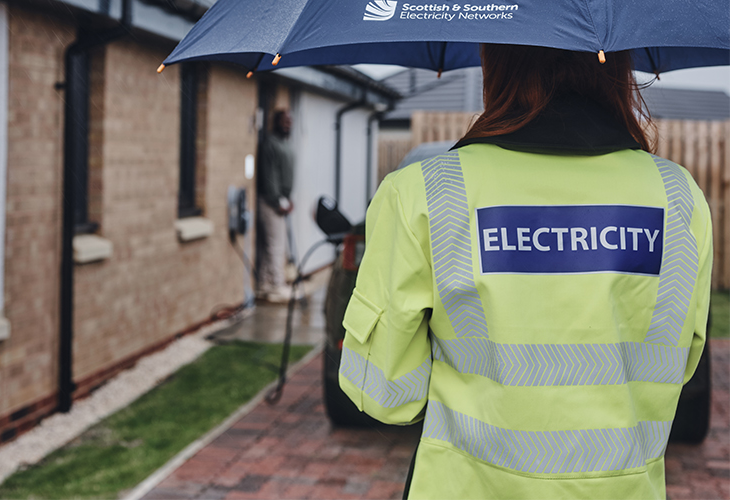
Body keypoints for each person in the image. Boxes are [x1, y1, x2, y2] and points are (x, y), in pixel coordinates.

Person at [340, 44, 713, 499]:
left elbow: (386, 394)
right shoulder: (679, 198)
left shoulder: (424, 193)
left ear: (497, 61)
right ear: (615, 61)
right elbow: (681, 364)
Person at [259, 108, 295, 303]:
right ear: (276, 122)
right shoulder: (271, 145)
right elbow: (270, 175)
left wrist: (289, 200)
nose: (288, 124)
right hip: (271, 202)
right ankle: (277, 285)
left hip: (282, 200)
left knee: (270, 245)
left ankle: (264, 283)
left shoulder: (284, 144)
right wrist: (278, 200)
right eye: (285, 121)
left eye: (290, 121)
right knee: (276, 245)